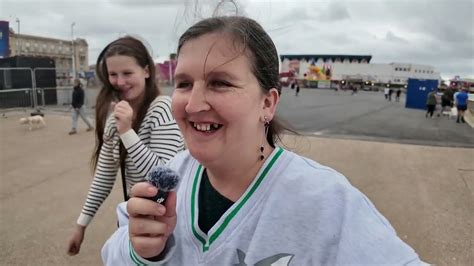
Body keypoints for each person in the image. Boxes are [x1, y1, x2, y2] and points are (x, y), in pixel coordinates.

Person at [102, 16, 422, 265]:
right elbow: (112, 254)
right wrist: (141, 251)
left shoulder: (328, 204)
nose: (193, 104)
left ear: (267, 103)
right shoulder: (168, 179)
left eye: (220, 83)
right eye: (184, 83)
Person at [67, 36, 185, 256]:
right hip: (136, 218)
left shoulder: (162, 109)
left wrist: (127, 133)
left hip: (167, 221)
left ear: (146, 71)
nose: (120, 82)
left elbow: (165, 177)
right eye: (113, 74)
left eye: (127, 73)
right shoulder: (116, 119)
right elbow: (104, 176)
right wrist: (81, 225)